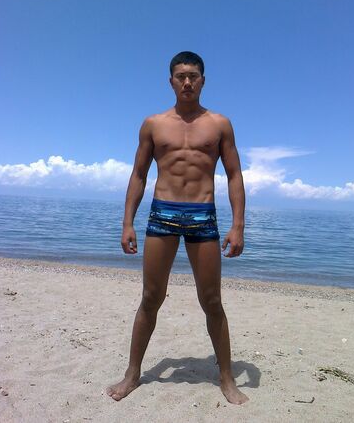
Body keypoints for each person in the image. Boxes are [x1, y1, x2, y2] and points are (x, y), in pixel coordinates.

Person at [106, 51, 248, 405]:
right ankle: (132, 374)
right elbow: (139, 175)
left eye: (193, 76)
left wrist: (238, 226)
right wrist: (127, 223)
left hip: (202, 214)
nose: (187, 82)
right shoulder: (153, 124)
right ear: (170, 81)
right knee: (150, 297)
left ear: (203, 81)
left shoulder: (220, 124)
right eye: (181, 76)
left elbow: (234, 175)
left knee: (211, 300)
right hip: (162, 213)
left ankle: (227, 378)